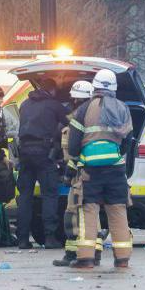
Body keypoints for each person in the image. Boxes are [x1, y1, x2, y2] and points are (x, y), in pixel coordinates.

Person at [66, 69, 134, 269]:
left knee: (89, 211)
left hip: (91, 171)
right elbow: (128, 140)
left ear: (94, 86)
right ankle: (122, 259)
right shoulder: (122, 108)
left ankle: (86, 259)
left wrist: (76, 159)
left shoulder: (84, 109)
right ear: (113, 88)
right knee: (118, 211)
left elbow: (73, 144)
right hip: (115, 169)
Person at [53, 80, 105, 267]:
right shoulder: (91, 116)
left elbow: (76, 148)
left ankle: (84, 253)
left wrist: (69, 170)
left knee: (78, 212)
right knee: (82, 213)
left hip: (82, 172)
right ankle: (78, 252)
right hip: (85, 171)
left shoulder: (81, 119)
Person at [15, 77, 68, 249]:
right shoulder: (54, 105)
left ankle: (22, 239)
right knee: (49, 194)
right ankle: (50, 237)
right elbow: (71, 124)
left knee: (25, 196)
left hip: (24, 153)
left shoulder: (24, 104)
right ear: (52, 91)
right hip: (44, 153)